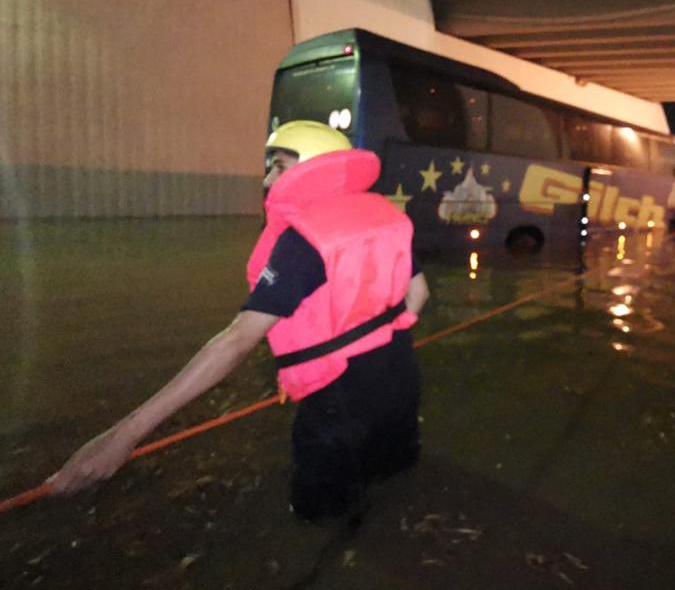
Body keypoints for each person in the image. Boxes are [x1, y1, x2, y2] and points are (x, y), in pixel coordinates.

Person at [49, 121, 429, 521]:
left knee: (318, 510)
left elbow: (236, 342)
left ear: (312, 168)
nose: (268, 178)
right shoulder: (383, 213)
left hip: (337, 396)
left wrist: (123, 436)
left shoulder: (303, 241)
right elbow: (417, 294)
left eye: (280, 166)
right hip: (401, 374)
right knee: (392, 477)